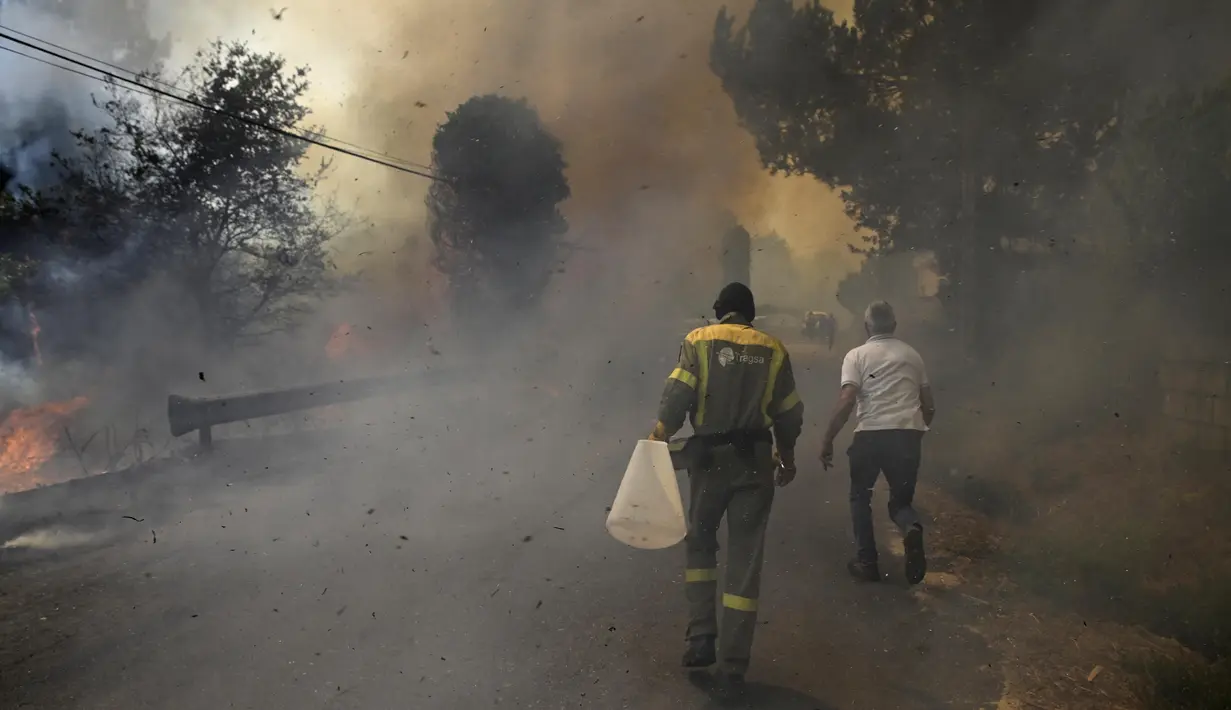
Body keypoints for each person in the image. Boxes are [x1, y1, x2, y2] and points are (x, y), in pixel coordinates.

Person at [648, 282, 804, 696]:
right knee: (745, 560)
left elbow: (678, 395)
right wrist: (787, 458)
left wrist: (659, 436)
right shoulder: (773, 349)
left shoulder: (700, 340)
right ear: (751, 314)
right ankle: (734, 663)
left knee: (701, 545)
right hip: (755, 464)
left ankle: (701, 637)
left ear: (721, 310)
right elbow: (789, 414)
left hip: (709, 462)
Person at [819, 300, 935, 585]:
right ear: (894, 325)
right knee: (901, 502)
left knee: (860, 497)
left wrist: (828, 438)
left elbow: (847, 399)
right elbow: (929, 406)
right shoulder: (913, 355)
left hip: (870, 436)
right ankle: (911, 527)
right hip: (906, 435)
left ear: (866, 326)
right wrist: (916, 432)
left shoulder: (856, 356)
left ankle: (867, 562)